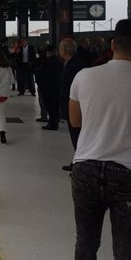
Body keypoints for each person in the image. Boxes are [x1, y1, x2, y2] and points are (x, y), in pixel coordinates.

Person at [68, 18, 131, 260]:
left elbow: (75, 121)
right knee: (127, 254)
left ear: (112, 44)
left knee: (86, 243)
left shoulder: (84, 76)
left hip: (86, 167)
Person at [58, 38, 86, 171]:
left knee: (77, 136)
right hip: (72, 105)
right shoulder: (70, 63)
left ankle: (80, 165)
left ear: (64, 50)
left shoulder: (75, 66)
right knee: (76, 136)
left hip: (75, 107)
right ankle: (77, 161)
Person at [35, 44, 63, 131]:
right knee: (56, 105)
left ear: (47, 53)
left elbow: (42, 74)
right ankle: (55, 121)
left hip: (48, 88)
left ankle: (52, 124)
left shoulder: (47, 62)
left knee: (50, 107)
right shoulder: (59, 61)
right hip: (57, 87)